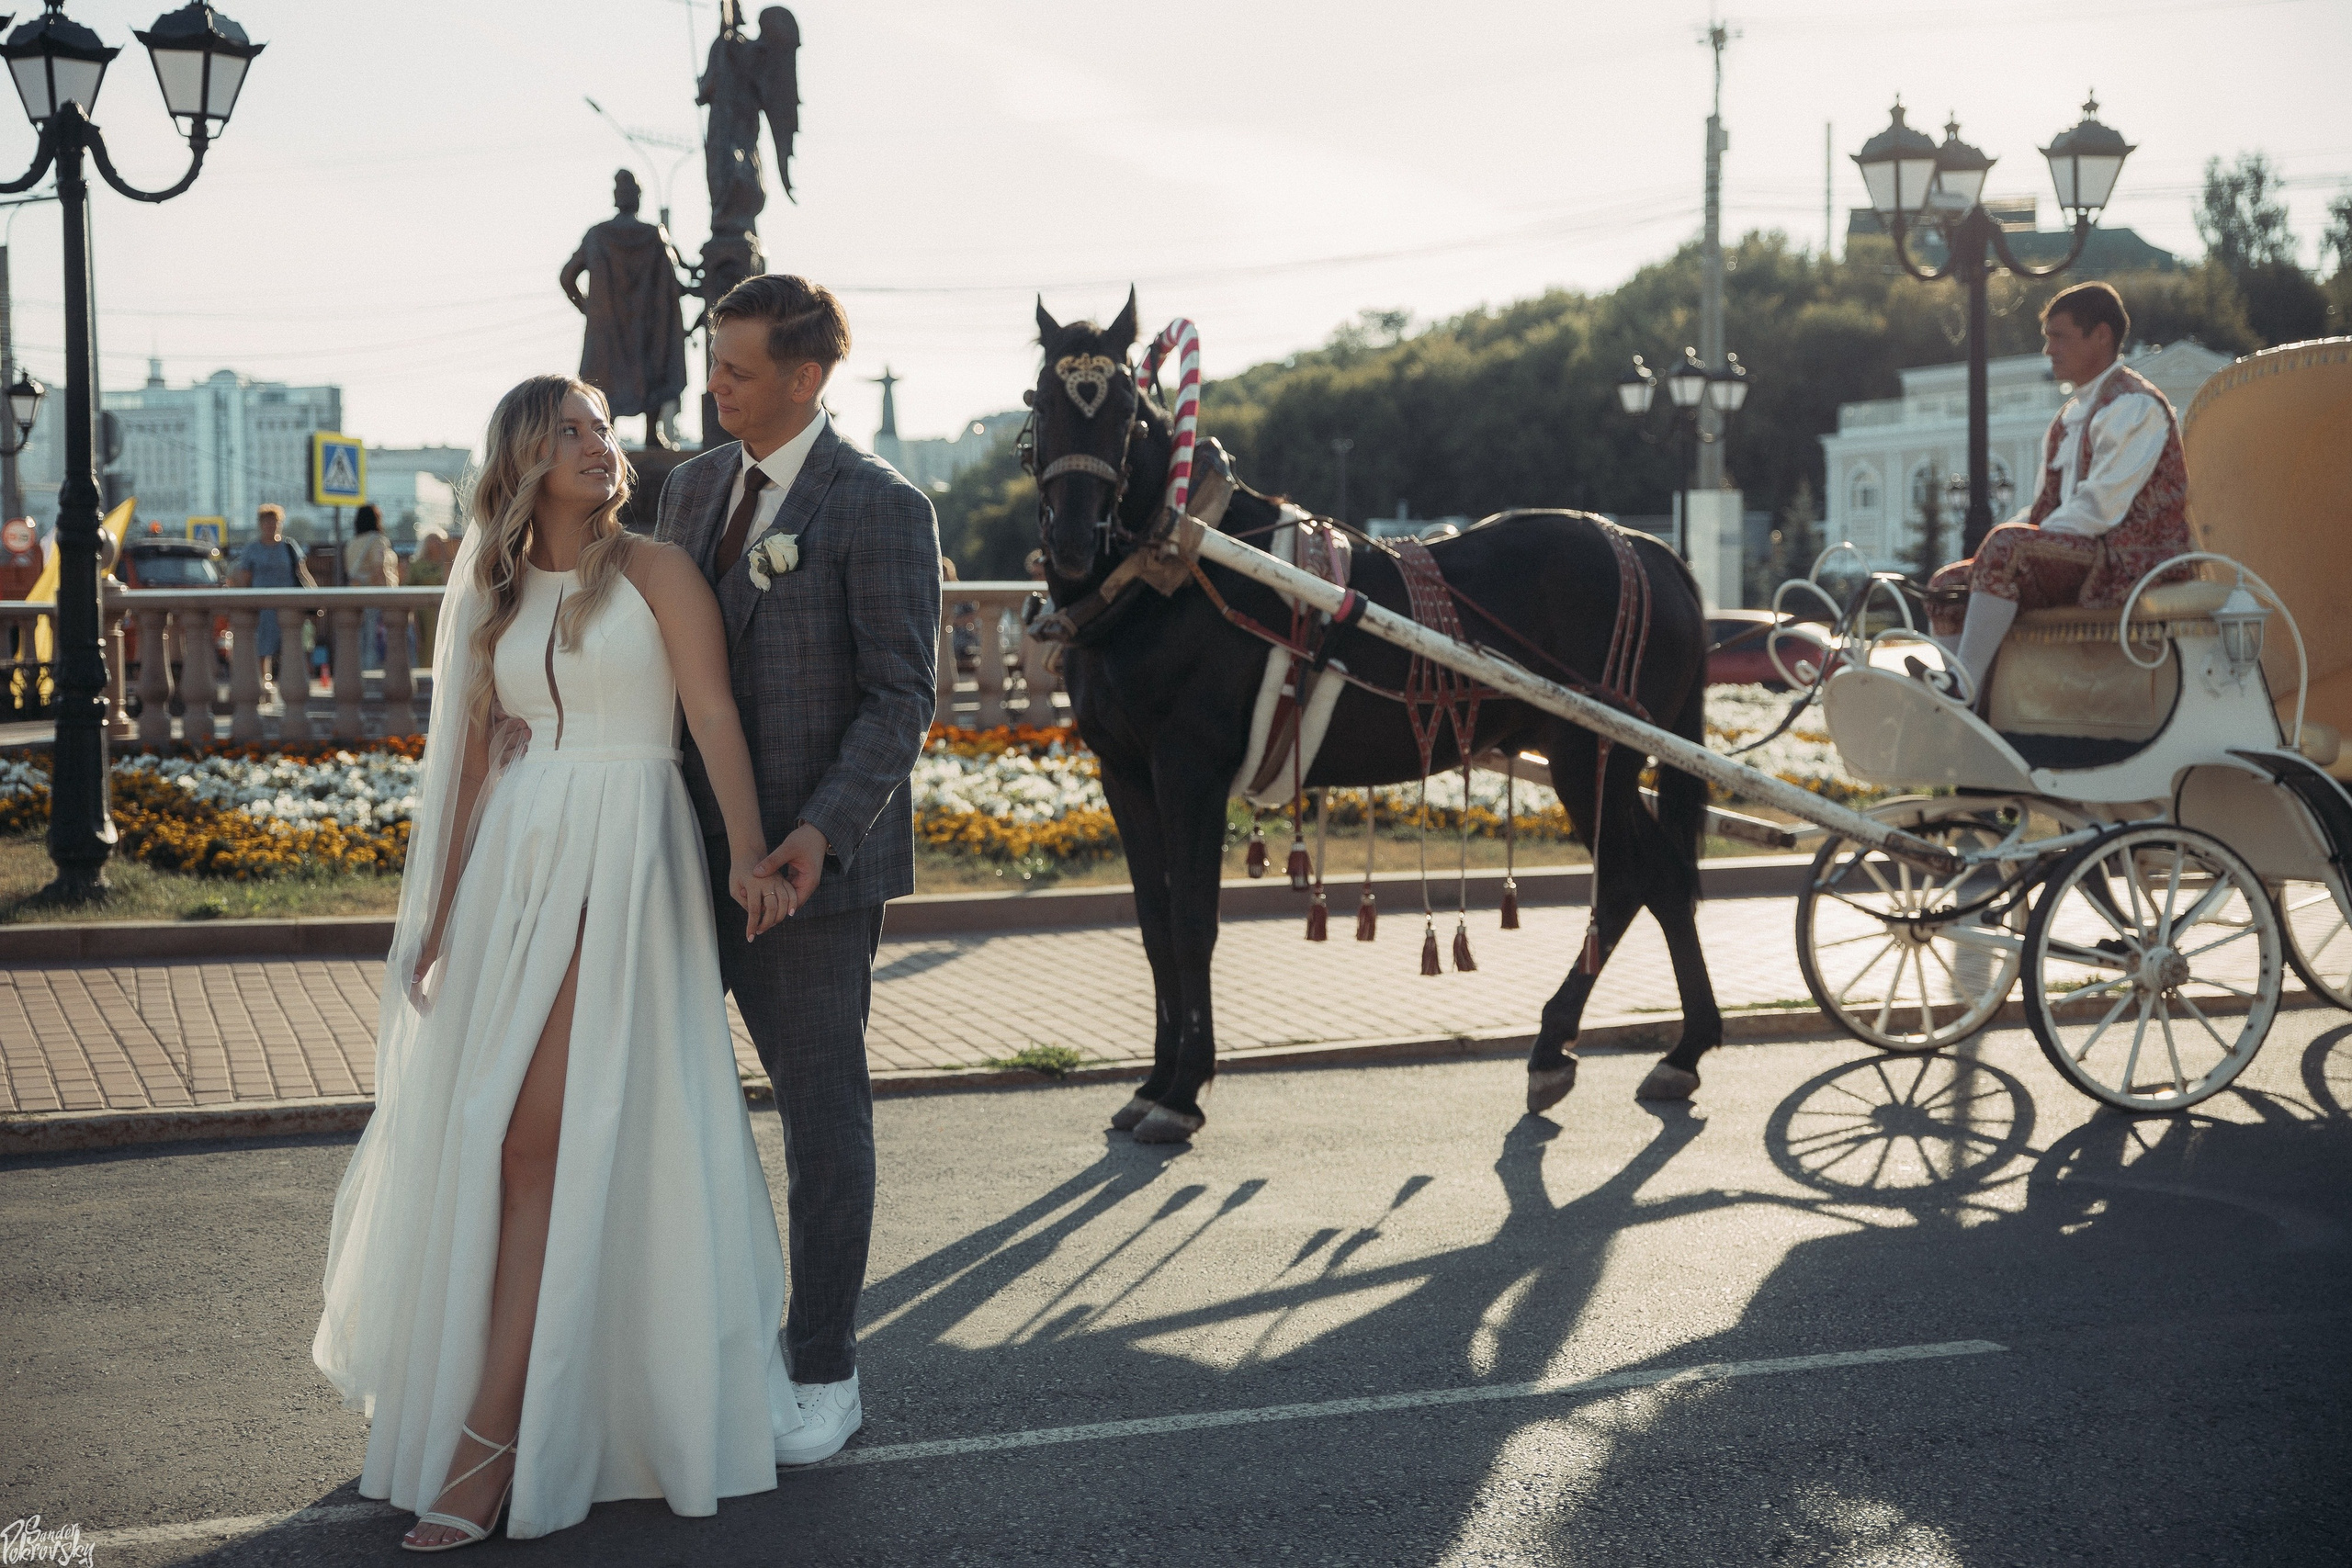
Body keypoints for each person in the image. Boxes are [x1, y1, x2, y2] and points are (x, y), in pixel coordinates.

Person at [314, 375, 808, 1548]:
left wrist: (747, 854)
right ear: (524, 459)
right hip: (516, 872)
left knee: (543, 1137)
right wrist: (435, 921)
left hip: (626, 856)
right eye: (570, 433)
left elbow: (713, 719)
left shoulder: (657, 573)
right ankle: (529, 1412)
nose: (598, 446)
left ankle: (489, 1449)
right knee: (493, 1144)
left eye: (602, 429)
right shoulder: (495, 591)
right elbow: (480, 760)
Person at [655, 273, 941, 1465]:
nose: (712, 385)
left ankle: (825, 1361)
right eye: (712, 363)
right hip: (675, 860)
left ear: (808, 376)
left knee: (822, 1116)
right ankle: (683, 1347)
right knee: (663, 1111)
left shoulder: (879, 505)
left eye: (736, 369)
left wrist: (818, 834)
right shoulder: (687, 485)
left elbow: (898, 696)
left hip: (809, 880)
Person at [1927, 282, 2192, 700]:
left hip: (2130, 562)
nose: (2049, 350)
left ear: (2101, 335)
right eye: (2047, 338)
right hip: (2083, 553)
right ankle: (1965, 703)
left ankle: (1964, 687)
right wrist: (2010, 540)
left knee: (2005, 548)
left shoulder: (2135, 406)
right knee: (1946, 585)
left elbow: (2099, 507)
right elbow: (2047, 509)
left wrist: (2021, 540)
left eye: (2060, 337)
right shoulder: (2069, 415)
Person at [229, 503, 314, 708]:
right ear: (260, 524)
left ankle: (291, 692)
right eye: (266, 522)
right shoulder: (252, 549)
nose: (271, 526)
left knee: (291, 649)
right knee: (262, 650)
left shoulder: (289, 546)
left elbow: (302, 572)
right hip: (262, 608)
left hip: (288, 606)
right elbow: (245, 578)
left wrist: (314, 595)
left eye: (275, 521)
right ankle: (264, 689)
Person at [345, 503, 402, 674]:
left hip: (356, 599)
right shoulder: (377, 540)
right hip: (376, 600)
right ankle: (376, 678)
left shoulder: (352, 543)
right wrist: (389, 598)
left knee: (361, 642)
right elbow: (379, 570)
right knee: (378, 642)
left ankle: (362, 676)